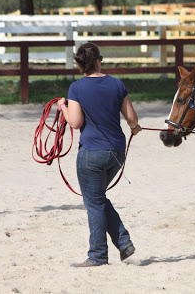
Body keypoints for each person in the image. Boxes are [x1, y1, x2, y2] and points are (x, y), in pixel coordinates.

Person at [57, 42, 142, 267]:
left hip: (91, 154)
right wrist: (134, 128)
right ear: (97, 61)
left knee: (93, 203)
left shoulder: (76, 88)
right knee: (98, 198)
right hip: (116, 153)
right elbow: (132, 118)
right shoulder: (117, 84)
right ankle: (124, 243)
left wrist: (62, 107)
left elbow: (75, 122)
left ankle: (97, 256)